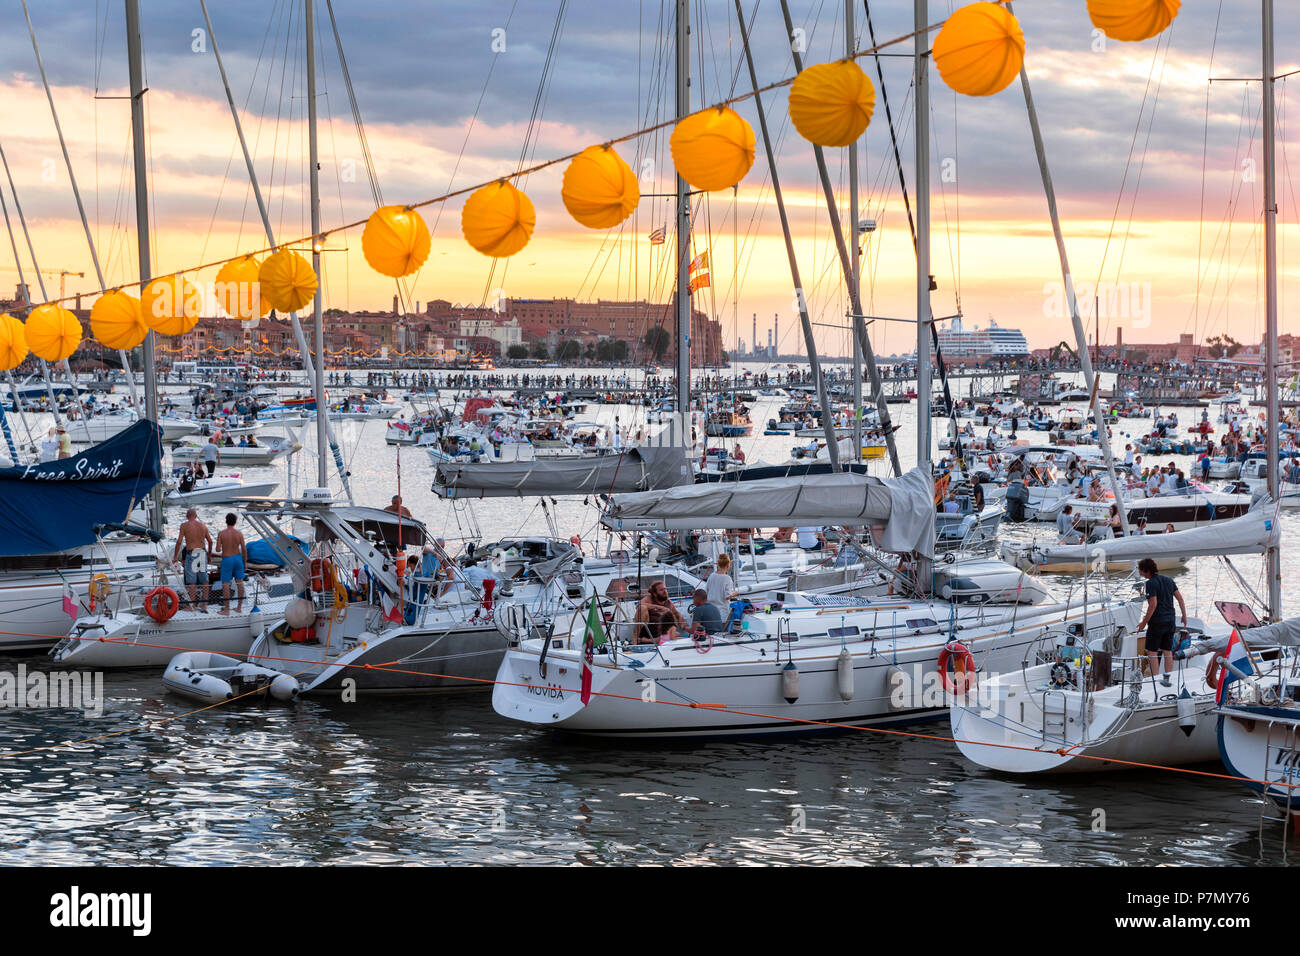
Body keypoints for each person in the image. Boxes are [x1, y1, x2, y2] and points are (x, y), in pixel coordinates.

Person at [1135, 557, 1188, 688]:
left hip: (1157, 622)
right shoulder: (1169, 580)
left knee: (1152, 652)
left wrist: (1143, 623)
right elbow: (1180, 599)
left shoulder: (1150, 583)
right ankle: (1167, 678)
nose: (1139, 571)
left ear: (1145, 571)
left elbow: (1153, 605)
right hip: (1170, 620)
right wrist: (1184, 616)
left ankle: (1156, 679)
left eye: (1140, 569)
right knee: (1167, 650)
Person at [172, 508, 213, 610]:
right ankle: (204, 605)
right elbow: (210, 541)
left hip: (192, 553)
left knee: (192, 582)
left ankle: (192, 605)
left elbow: (179, 542)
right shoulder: (203, 525)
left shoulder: (184, 526)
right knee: (204, 580)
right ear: (195, 516)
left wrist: (175, 557)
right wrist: (209, 555)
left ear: (187, 516)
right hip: (202, 552)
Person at [214, 513, 247, 615]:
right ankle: (239, 608)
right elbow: (244, 550)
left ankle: (227, 610)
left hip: (227, 559)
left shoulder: (221, 533)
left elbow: (218, 549)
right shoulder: (239, 533)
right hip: (238, 559)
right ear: (235, 522)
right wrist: (244, 562)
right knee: (239, 583)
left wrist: (221, 543)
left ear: (226, 521)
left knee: (226, 584)